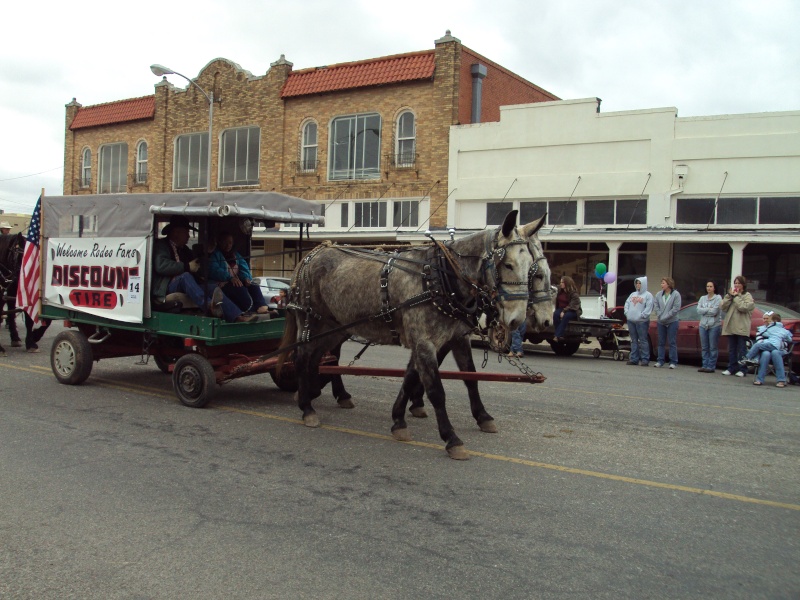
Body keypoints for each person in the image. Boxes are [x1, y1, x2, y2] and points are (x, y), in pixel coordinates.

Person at [152, 216, 255, 323]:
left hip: (186, 285)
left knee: (211, 287)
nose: (188, 236)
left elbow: (198, 267)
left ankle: (236, 317)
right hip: (167, 287)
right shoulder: (162, 245)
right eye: (186, 232)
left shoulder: (185, 250)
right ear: (176, 232)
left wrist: (207, 253)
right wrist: (186, 267)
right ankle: (209, 306)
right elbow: (161, 266)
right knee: (185, 276)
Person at [208, 232, 270, 315]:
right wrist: (230, 278)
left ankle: (261, 307)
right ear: (219, 242)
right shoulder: (215, 255)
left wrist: (246, 278)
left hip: (236, 282)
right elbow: (214, 270)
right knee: (240, 289)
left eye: (230, 243)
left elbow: (244, 268)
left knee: (254, 286)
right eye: (225, 242)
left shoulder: (236, 255)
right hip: (222, 285)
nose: (228, 245)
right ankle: (251, 311)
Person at [720, 275, 754, 377]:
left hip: (741, 327)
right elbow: (722, 306)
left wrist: (736, 297)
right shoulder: (731, 295)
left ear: (743, 284)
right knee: (732, 349)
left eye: (739, 283)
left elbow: (743, 307)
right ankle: (731, 367)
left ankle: (742, 369)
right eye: (735, 283)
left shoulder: (747, 295)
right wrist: (729, 296)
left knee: (742, 349)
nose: (737, 285)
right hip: (731, 326)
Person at [623, 276, 653, 366]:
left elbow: (649, 307)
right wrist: (627, 313)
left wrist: (642, 315)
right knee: (633, 340)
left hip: (642, 322)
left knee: (643, 340)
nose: (638, 285)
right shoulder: (632, 294)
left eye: (640, 283)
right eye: (637, 283)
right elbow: (627, 304)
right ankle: (634, 359)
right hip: (631, 320)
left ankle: (645, 359)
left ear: (643, 284)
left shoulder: (648, 295)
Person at [653, 277, 681, 368]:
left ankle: (673, 361)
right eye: (661, 283)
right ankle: (660, 360)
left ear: (668, 284)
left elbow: (676, 308)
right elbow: (656, 305)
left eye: (663, 283)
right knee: (661, 341)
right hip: (661, 321)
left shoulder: (676, 294)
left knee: (672, 341)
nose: (662, 285)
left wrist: (666, 316)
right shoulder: (658, 294)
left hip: (672, 321)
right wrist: (660, 315)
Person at [696, 281, 722, 373]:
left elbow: (715, 311)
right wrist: (708, 309)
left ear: (714, 288)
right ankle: (705, 365)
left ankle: (711, 366)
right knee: (704, 347)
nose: (709, 288)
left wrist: (704, 310)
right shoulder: (702, 298)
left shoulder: (718, 298)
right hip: (703, 325)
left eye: (711, 286)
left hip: (714, 325)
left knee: (713, 347)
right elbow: (698, 310)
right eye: (707, 286)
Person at [552, 276, 581, 342]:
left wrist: (564, 311)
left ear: (567, 283)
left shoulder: (574, 294)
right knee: (556, 314)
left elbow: (573, 305)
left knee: (566, 316)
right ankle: (560, 334)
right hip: (561, 308)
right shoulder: (560, 291)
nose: (561, 284)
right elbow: (554, 288)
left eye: (562, 282)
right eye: (560, 282)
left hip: (573, 310)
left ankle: (557, 335)